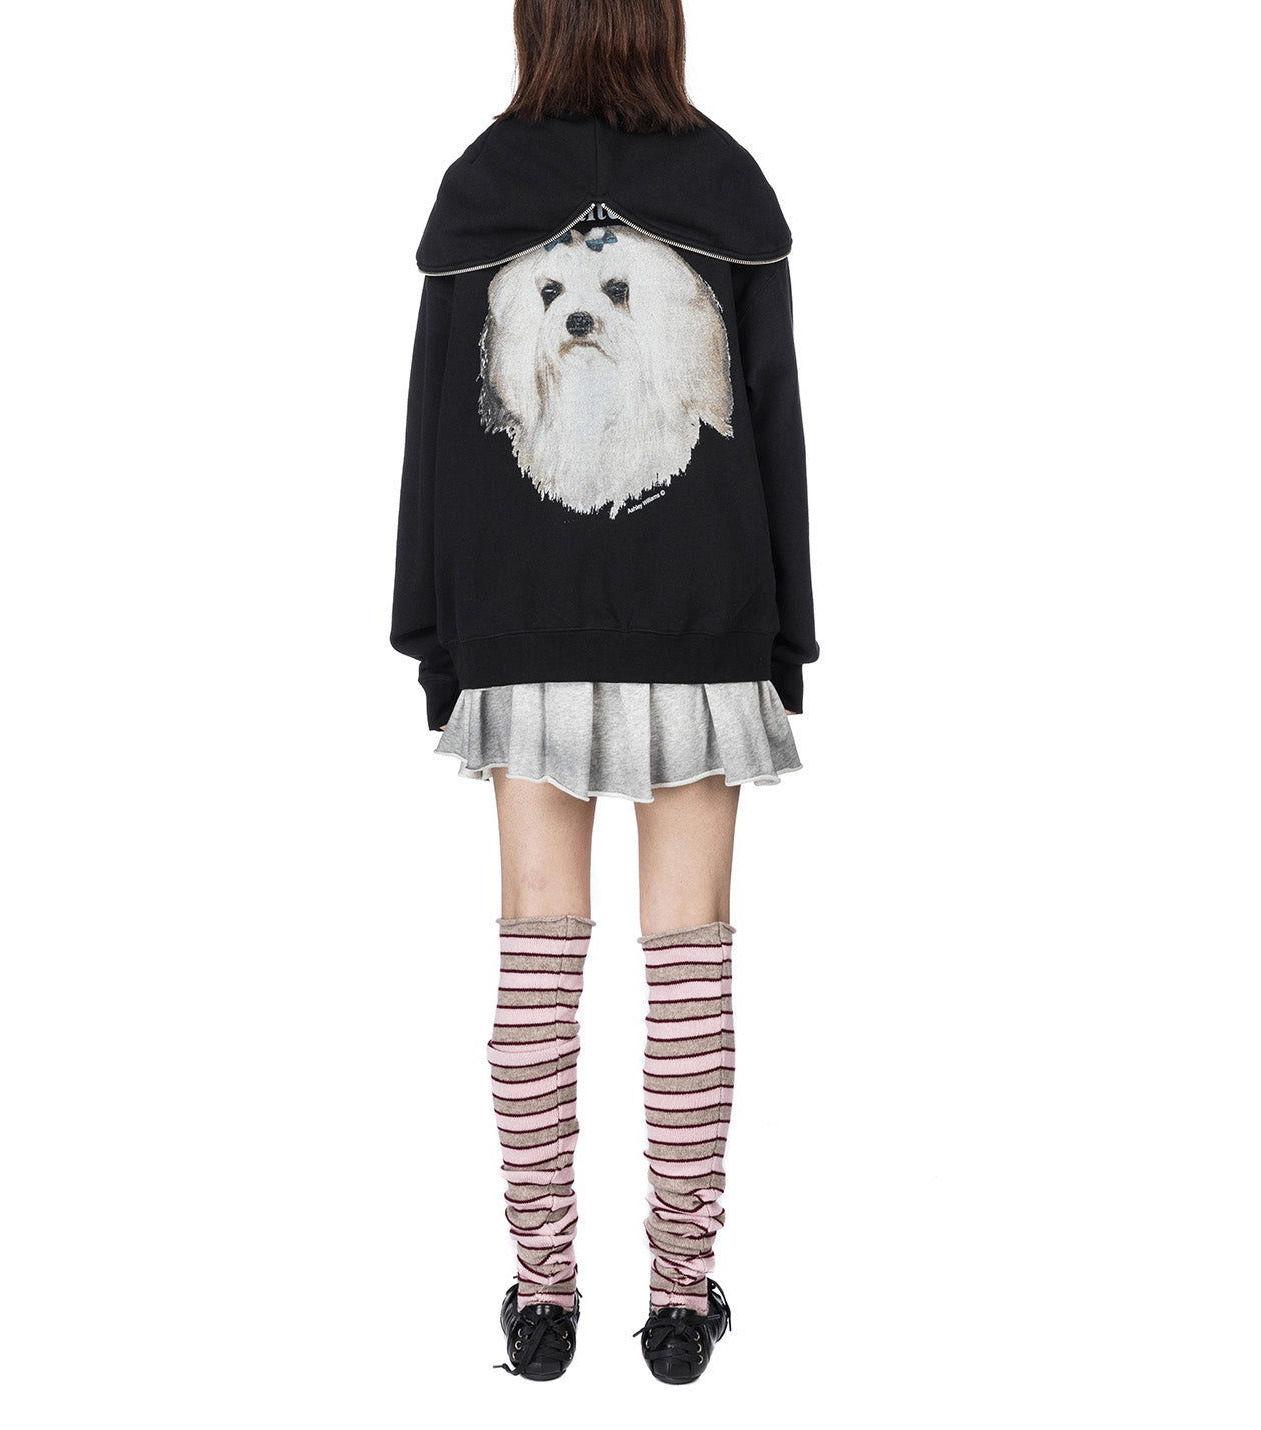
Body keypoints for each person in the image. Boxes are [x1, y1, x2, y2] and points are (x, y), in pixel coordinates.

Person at [389, 0, 818, 1384]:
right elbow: (775, 422)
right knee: (689, 956)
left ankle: (542, 1295)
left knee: (537, 954)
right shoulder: (726, 186)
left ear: (536, 22)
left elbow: (434, 441)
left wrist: (435, 635)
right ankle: (681, 1299)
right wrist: (786, 638)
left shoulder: (481, 190)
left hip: (520, 631)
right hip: (706, 620)